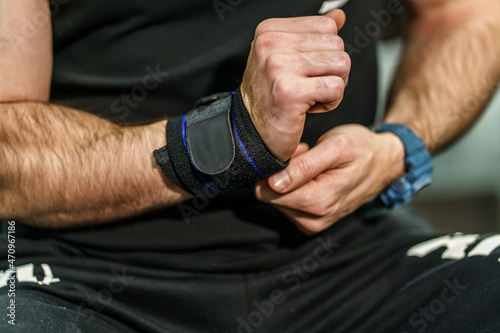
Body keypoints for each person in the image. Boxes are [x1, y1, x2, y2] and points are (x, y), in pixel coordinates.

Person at [0, 0, 499, 332]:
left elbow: (463, 14)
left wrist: (396, 146)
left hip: (346, 257)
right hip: (78, 277)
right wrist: (229, 138)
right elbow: (8, 152)